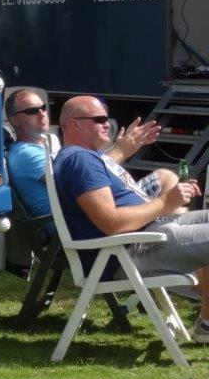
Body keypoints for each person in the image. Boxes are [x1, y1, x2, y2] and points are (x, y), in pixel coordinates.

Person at [54, 96, 209, 343]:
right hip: (131, 250)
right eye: (99, 120)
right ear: (74, 124)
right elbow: (111, 222)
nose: (108, 124)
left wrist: (122, 149)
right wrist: (166, 203)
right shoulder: (78, 160)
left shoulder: (87, 158)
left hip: (148, 235)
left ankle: (206, 325)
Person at [5, 88, 165, 225]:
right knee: (170, 203)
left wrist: (123, 146)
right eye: (32, 111)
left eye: (43, 107)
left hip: (96, 208)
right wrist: (120, 150)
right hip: (79, 223)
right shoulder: (24, 153)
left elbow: (86, 169)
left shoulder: (49, 141)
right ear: (15, 121)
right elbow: (75, 178)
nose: (42, 114)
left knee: (165, 177)